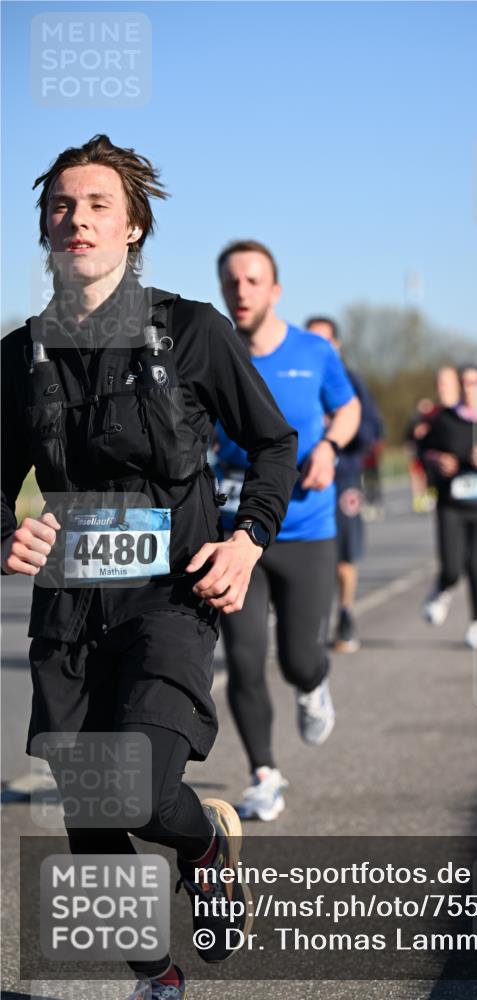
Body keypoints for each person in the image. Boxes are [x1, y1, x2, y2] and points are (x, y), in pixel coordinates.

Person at [1, 136, 298, 999]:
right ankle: (156, 979)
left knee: (135, 790)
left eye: (98, 204)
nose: (77, 218)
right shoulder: (18, 357)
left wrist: (246, 540)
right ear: (45, 228)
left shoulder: (193, 331)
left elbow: (274, 444)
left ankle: (204, 847)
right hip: (69, 609)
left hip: (170, 596)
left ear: (132, 227)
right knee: (90, 817)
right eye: (61, 205)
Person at [214, 242, 360, 820]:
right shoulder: (212, 352)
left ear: (275, 290)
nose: (241, 291)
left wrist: (329, 447)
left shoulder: (314, 351)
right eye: (231, 282)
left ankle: (313, 683)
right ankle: (264, 774)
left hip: (305, 528)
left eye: (253, 281)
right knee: (244, 659)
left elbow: (347, 408)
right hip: (235, 533)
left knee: (299, 659)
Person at [419, 366, 477, 651]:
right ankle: (442, 587)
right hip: (451, 505)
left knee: (475, 566)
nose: (470, 388)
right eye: (465, 383)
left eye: (475, 383)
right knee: (451, 567)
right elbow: (423, 450)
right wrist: (437, 460)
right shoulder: (445, 419)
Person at [305, 315, 384, 652]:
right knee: (306, 555)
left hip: (343, 478)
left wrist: (336, 438)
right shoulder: (300, 376)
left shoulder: (350, 381)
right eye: (311, 339)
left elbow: (372, 431)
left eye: (324, 340)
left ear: (336, 345)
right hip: (304, 478)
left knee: (343, 557)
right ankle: (308, 622)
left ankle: (346, 614)